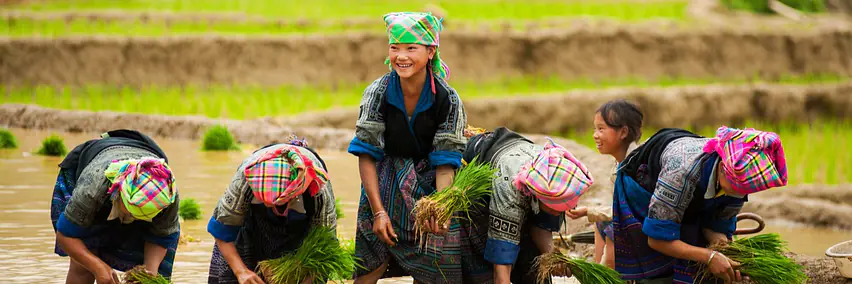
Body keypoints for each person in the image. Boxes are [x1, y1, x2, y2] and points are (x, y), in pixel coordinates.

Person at [348, 11, 490, 284]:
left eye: (411, 48)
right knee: (371, 259)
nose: (401, 56)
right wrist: (378, 212)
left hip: (429, 180)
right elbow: (367, 153)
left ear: (430, 51)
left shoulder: (447, 98)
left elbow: (445, 160)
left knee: (438, 254)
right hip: (384, 179)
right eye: (394, 48)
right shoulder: (378, 93)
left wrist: (441, 207)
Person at [610, 126, 787, 283]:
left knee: (696, 247)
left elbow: (716, 225)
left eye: (744, 191)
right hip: (644, 186)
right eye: (735, 188)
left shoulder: (738, 182)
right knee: (660, 269)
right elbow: (656, 239)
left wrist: (723, 250)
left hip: (687, 193)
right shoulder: (681, 173)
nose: (738, 195)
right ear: (722, 169)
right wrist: (709, 257)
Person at [463, 126, 596, 284]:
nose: (558, 212)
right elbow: (501, 262)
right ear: (539, 197)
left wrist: (553, 256)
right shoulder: (509, 189)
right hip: (483, 185)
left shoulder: (556, 179)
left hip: (518, 167)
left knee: (534, 264)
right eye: (554, 209)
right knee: (489, 262)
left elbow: (542, 225)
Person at [50, 129, 179, 284]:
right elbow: (65, 235)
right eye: (133, 213)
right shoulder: (93, 188)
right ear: (119, 195)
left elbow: (161, 237)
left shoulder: (167, 194)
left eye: (144, 216)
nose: (135, 219)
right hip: (94, 169)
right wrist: (98, 267)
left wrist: (148, 274)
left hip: (142, 162)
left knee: (157, 274)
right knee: (83, 267)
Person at [206, 137, 338, 284]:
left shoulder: (317, 189)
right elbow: (222, 230)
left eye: (284, 202)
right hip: (252, 226)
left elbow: (326, 248)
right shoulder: (244, 182)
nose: (278, 208)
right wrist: (241, 271)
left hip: (300, 230)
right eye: (270, 203)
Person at [567, 99, 645, 269]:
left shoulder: (635, 167)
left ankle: (605, 272)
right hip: (633, 225)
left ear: (623, 132)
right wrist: (589, 212)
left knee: (612, 229)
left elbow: (630, 214)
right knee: (601, 224)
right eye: (595, 129)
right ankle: (601, 271)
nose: (595, 135)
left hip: (645, 231)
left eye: (601, 129)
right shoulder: (620, 165)